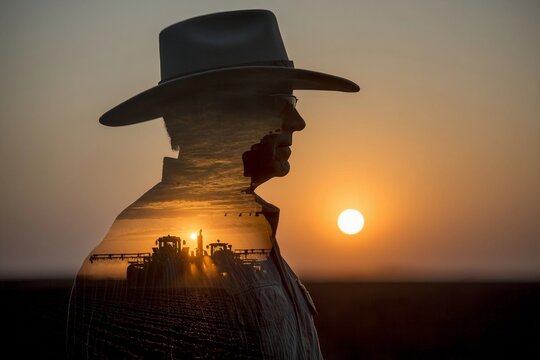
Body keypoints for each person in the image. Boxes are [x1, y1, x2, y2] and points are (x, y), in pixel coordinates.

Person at [68, 9, 359, 359]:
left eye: (291, 101)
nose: (297, 122)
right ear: (213, 116)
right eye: (278, 102)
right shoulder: (158, 259)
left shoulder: (246, 235)